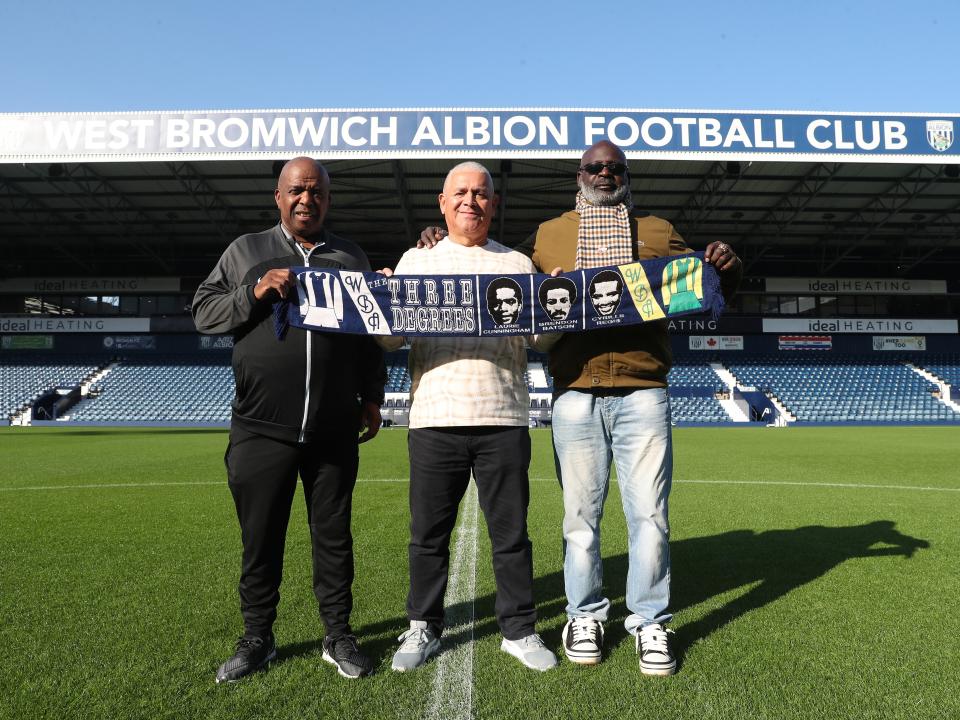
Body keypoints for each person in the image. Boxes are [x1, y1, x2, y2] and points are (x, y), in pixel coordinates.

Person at [419, 140, 741, 676]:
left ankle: (648, 619)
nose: (605, 174)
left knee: (650, 517)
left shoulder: (658, 230)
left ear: (626, 175)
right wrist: (437, 240)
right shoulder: (549, 235)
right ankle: (584, 614)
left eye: (615, 168)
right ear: (580, 173)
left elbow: (702, 282)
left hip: (644, 388)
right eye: (596, 167)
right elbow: (502, 272)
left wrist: (726, 268)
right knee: (580, 521)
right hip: (574, 390)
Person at [193, 157, 386, 683]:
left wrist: (371, 396)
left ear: (328, 199)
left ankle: (338, 634)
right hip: (260, 428)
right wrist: (253, 292)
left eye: (317, 192)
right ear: (278, 196)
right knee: (261, 539)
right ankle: (258, 636)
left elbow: (369, 336)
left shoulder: (350, 256)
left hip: (333, 427)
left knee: (334, 537)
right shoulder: (245, 251)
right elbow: (204, 314)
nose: (307, 200)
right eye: (297, 190)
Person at [378, 162, 558, 673]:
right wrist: (382, 302)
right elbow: (391, 340)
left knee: (511, 535)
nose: (471, 202)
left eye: (481, 194)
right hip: (434, 418)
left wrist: (560, 306)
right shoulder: (417, 261)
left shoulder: (519, 266)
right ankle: (423, 626)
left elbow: (539, 340)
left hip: (502, 416)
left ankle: (519, 629)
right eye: (461, 193)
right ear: (442, 202)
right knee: (427, 535)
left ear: (494, 205)